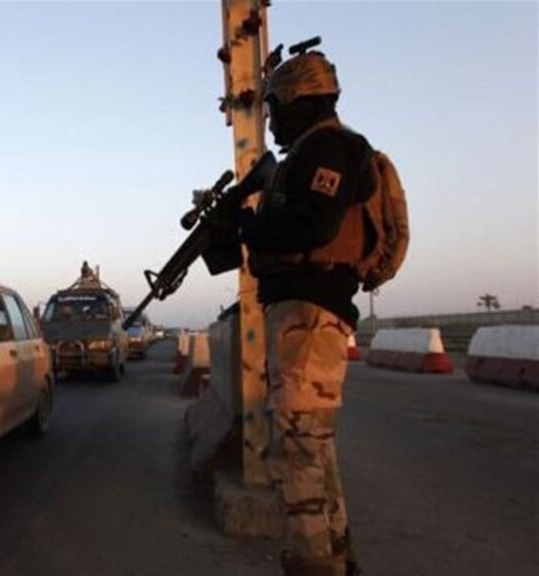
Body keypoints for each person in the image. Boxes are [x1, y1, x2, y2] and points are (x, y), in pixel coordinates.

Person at [238, 46, 374, 576]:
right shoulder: (311, 151)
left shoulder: (330, 147)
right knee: (313, 453)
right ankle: (336, 558)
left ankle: (314, 564)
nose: (272, 121)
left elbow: (312, 225)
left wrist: (254, 229)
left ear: (300, 100)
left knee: (297, 456)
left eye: (275, 108)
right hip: (305, 313)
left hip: (311, 314)